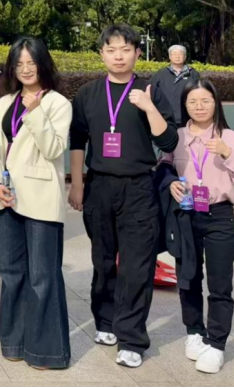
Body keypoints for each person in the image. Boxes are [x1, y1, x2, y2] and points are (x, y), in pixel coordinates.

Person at [68, 24, 179, 369]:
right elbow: (77, 139)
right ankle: (105, 321)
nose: (119, 56)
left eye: (126, 49)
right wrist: (76, 183)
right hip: (99, 185)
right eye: (111, 50)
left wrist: (148, 107)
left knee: (136, 265)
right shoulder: (87, 93)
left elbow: (168, 141)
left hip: (139, 187)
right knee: (103, 260)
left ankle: (131, 339)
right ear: (101, 54)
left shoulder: (150, 90)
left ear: (137, 53)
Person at [0, 37, 72, 369]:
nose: (25, 69)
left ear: (43, 64)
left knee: (42, 276)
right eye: (19, 64)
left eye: (31, 63)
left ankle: (46, 351)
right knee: (11, 273)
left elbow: (53, 149)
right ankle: (14, 341)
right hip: (7, 197)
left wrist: (35, 113)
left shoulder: (58, 103)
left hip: (40, 198)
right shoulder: (5, 101)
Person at [161, 80, 234, 375]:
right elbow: (163, 166)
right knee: (188, 277)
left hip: (219, 216)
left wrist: (227, 153)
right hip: (186, 214)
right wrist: (170, 183)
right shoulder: (177, 137)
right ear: (185, 105)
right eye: (192, 101)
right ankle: (194, 331)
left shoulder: (232, 138)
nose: (199, 107)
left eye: (205, 100)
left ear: (216, 103)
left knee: (220, 284)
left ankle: (216, 343)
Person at [151, 45, 200, 124]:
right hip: (165, 116)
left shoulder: (193, 73)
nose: (177, 56)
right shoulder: (161, 73)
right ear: (170, 57)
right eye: (174, 54)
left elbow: (199, 92)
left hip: (187, 116)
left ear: (185, 56)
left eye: (180, 54)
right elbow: (151, 91)